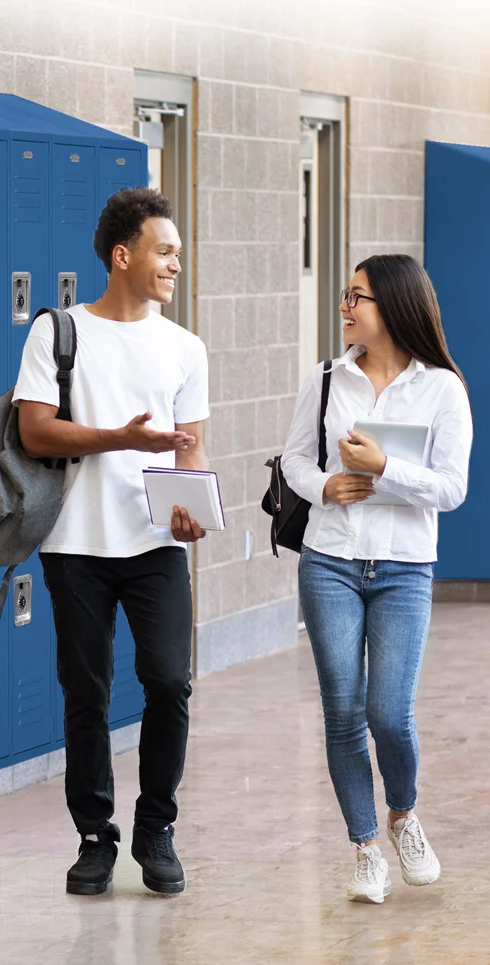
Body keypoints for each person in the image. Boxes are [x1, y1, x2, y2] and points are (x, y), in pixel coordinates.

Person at [13, 187, 210, 896]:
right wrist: (120, 437)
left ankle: (156, 826)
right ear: (123, 255)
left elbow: (190, 451)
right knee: (85, 691)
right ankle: (95, 836)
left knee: (169, 680)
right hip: (75, 543)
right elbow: (35, 429)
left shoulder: (185, 347)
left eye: (179, 253)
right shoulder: (58, 332)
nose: (175, 264)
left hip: (156, 545)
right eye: (165, 250)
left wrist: (190, 509)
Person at [280, 254, 472, 904]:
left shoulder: (443, 388)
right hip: (329, 559)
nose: (345, 306)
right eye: (345, 295)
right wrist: (326, 485)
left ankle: (403, 815)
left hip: (404, 568)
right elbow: (294, 462)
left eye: (356, 296)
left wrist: (385, 466)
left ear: (391, 306)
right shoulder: (328, 379)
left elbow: (452, 488)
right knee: (342, 710)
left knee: (389, 712)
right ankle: (365, 846)